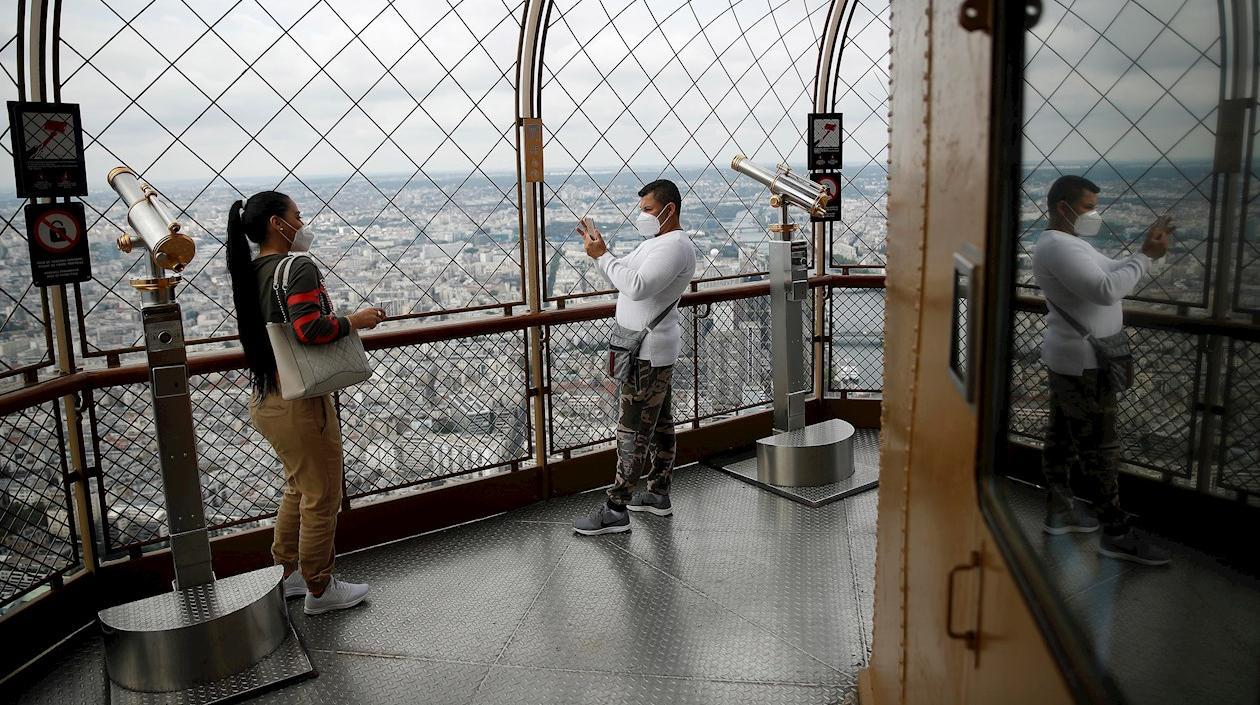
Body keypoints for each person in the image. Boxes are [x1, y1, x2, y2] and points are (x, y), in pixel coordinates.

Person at [226, 191, 386, 613]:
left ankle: (289, 573)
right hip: (301, 402)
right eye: (297, 215)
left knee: (298, 489)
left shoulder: (251, 269)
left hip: (268, 398)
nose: (302, 221)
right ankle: (319, 586)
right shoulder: (295, 266)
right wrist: (357, 320)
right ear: (278, 224)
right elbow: (309, 329)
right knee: (322, 495)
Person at [1033, 175, 1174, 566]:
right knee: (1100, 447)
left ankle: (1060, 512)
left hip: (1076, 360)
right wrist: (1145, 256)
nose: (1093, 213)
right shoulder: (1060, 246)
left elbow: (1113, 272)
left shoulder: (1069, 244)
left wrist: (1145, 253)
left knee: (1062, 436)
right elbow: (1107, 289)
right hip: (1084, 364)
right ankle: (1115, 532)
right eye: (1087, 206)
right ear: (1063, 207)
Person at [572, 179, 697, 535]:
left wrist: (603, 257)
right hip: (646, 350)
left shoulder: (672, 247)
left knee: (632, 430)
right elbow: (623, 272)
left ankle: (616, 508)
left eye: (647, 209)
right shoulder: (657, 243)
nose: (641, 215)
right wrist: (602, 253)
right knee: (658, 425)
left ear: (668, 209)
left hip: (647, 354)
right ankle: (658, 494)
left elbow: (637, 286)